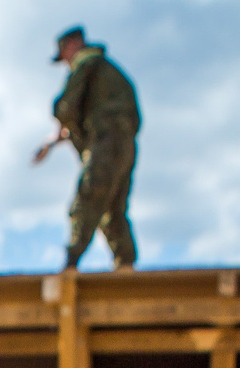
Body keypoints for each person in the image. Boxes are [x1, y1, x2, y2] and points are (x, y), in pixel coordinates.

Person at [33, 27, 141, 272]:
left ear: (73, 45)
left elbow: (65, 108)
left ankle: (70, 264)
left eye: (64, 55)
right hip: (124, 145)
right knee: (113, 209)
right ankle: (126, 266)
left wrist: (62, 119)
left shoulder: (86, 63)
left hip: (107, 142)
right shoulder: (103, 70)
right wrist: (50, 143)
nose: (66, 62)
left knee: (88, 197)